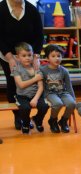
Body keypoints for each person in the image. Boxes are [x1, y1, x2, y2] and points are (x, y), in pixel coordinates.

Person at [0, 0, 44, 130]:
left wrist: (35, 56)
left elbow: (39, 35)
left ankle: (26, 115)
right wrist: (9, 57)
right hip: (8, 54)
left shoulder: (32, 9)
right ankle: (18, 116)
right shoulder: (1, 8)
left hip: (29, 55)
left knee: (32, 83)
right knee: (13, 84)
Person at [13, 42, 49, 134]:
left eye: (29, 55)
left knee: (44, 106)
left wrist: (35, 99)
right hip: (22, 96)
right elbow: (21, 85)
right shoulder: (16, 69)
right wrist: (35, 79)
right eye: (24, 55)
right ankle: (25, 123)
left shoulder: (37, 68)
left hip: (37, 95)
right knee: (25, 108)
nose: (27, 58)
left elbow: (41, 87)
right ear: (18, 57)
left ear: (33, 55)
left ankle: (38, 120)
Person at [40, 44, 76, 133]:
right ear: (47, 58)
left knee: (71, 103)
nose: (57, 58)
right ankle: (53, 120)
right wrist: (43, 96)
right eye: (53, 56)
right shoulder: (43, 70)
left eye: (59, 56)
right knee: (57, 104)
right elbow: (41, 85)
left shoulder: (64, 71)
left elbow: (68, 86)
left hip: (62, 92)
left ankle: (63, 121)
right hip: (50, 93)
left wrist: (73, 98)